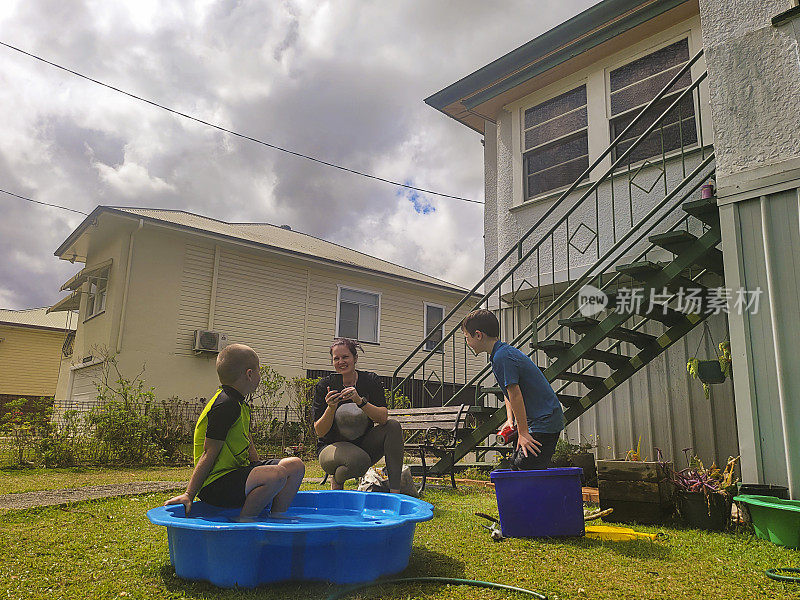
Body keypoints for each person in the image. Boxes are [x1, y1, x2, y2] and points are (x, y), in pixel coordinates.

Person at [165, 343, 305, 521]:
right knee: (276, 474)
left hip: (237, 474)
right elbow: (209, 452)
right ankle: (245, 520)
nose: (260, 376)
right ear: (249, 374)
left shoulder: (239, 402)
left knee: (295, 465)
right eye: (259, 371)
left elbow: (248, 442)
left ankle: (277, 515)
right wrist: (189, 494)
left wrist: (258, 468)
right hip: (216, 485)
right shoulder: (225, 404)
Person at [461, 309, 564, 470]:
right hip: (534, 422)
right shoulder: (497, 355)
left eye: (467, 337)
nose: (466, 342)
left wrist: (523, 433)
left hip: (544, 421)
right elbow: (508, 392)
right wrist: (510, 420)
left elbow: (515, 394)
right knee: (517, 466)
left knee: (524, 468)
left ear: (478, 335)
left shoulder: (503, 356)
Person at [313, 338, 404, 492]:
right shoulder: (324, 386)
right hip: (331, 448)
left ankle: (395, 492)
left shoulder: (370, 381)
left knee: (393, 426)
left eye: (345, 357)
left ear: (355, 358)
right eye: (336, 358)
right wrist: (331, 408)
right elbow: (320, 431)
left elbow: (382, 418)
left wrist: (359, 401)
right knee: (359, 461)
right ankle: (337, 477)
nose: (341, 361)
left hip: (363, 445)